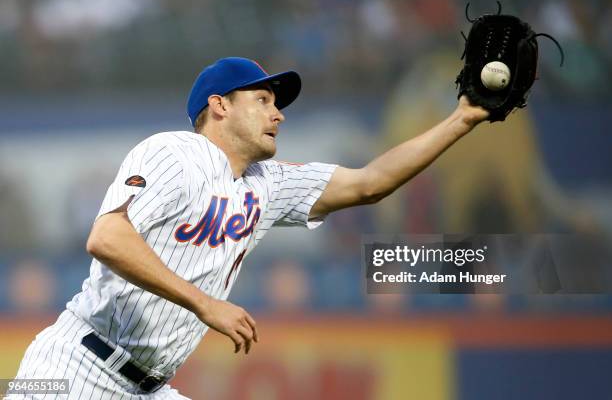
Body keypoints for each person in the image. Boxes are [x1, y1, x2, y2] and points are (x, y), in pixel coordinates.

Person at [10, 57, 489, 399]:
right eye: (262, 99)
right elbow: (106, 237)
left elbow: (370, 183)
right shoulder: (175, 153)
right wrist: (205, 304)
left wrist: (462, 119)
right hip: (73, 369)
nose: (277, 113)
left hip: (147, 386)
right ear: (220, 106)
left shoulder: (265, 184)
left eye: (276, 103)